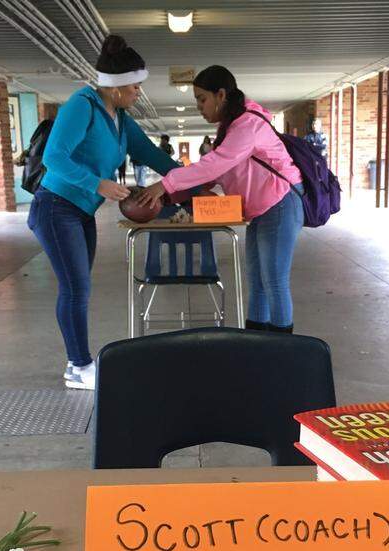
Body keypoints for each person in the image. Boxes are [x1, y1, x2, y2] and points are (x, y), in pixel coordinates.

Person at [29, 34, 180, 390]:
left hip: (81, 212)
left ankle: (76, 363)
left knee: (79, 287)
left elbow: (149, 153)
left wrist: (188, 178)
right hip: (55, 208)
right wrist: (98, 184)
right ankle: (80, 367)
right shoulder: (81, 105)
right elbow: (54, 158)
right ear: (116, 87)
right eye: (135, 86)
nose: (138, 92)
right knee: (75, 288)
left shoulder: (120, 117)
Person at [138, 65, 303, 334]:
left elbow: (214, 165)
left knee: (273, 280)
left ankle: (283, 350)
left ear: (221, 95)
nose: (199, 107)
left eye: (202, 99)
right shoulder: (230, 128)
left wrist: (164, 184)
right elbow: (215, 174)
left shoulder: (247, 125)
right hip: (261, 208)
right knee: (256, 280)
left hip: (281, 203)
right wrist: (170, 195)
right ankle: (257, 342)